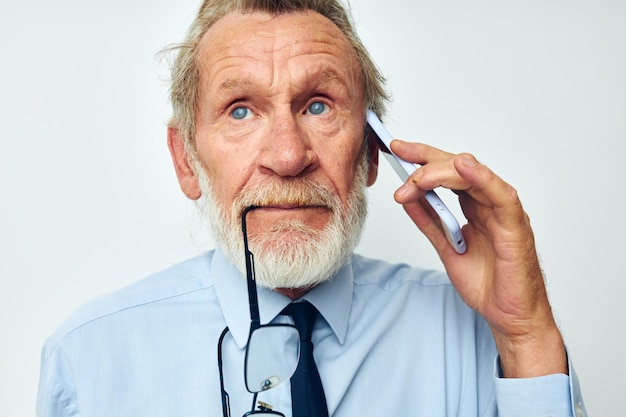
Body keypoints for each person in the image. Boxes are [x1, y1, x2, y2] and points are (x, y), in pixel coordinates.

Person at [37, 0, 587, 416]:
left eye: (318, 106)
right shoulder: (88, 360)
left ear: (371, 152)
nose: (287, 155)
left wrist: (525, 335)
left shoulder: (478, 334)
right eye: (241, 111)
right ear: (186, 160)